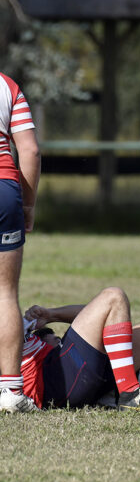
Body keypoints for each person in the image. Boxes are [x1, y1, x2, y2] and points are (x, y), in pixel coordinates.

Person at [16, 287, 140, 411]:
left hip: (70, 374)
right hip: (57, 383)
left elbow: (98, 315)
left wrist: (51, 315)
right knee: (113, 297)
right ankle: (130, 394)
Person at [0, 73, 41, 413]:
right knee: (5, 293)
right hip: (4, 190)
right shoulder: (7, 87)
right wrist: (27, 205)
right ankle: (11, 391)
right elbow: (29, 149)